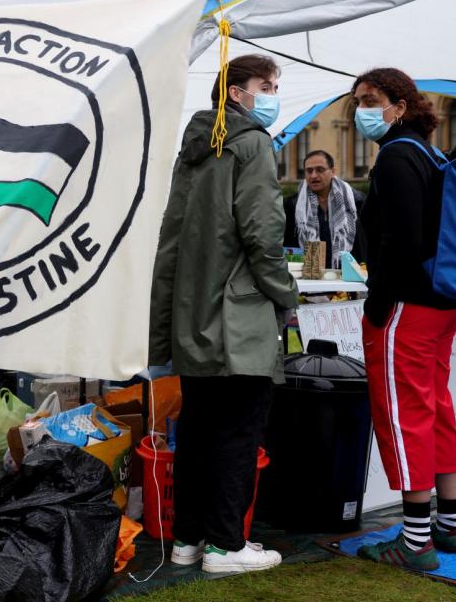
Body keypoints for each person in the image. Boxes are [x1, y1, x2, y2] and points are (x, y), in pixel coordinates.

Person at [149, 54, 298, 575]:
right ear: (236, 93)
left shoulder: (193, 150)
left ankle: (189, 540)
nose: (273, 93)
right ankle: (224, 545)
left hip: (195, 316)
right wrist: (287, 292)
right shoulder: (252, 143)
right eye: (266, 84)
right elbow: (263, 233)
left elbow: (168, 246)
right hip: (238, 319)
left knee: (197, 432)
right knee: (237, 432)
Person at [351, 68, 456, 571]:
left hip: (408, 306)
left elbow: (399, 243)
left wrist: (377, 306)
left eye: (371, 99)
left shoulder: (398, 157)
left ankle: (416, 539)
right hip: (441, 303)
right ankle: (451, 524)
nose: (363, 110)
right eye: (358, 101)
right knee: (437, 408)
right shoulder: (429, 152)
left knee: (407, 416)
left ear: (399, 105)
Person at [283, 149, 364, 263]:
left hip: (349, 275)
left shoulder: (356, 202)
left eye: (320, 170)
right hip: (308, 276)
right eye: (309, 171)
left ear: (333, 171)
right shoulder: (292, 205)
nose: (313, 175)